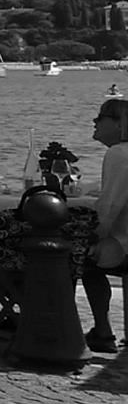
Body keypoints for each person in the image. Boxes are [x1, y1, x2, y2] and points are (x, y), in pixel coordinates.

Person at [81, 98, 128, 353]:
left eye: (101, 117)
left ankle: (103, 330)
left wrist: (95, 236)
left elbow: (110, 206)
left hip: (123, 245)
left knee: (79, 256)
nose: (95, 121)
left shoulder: (118, 153)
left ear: (119, 124)